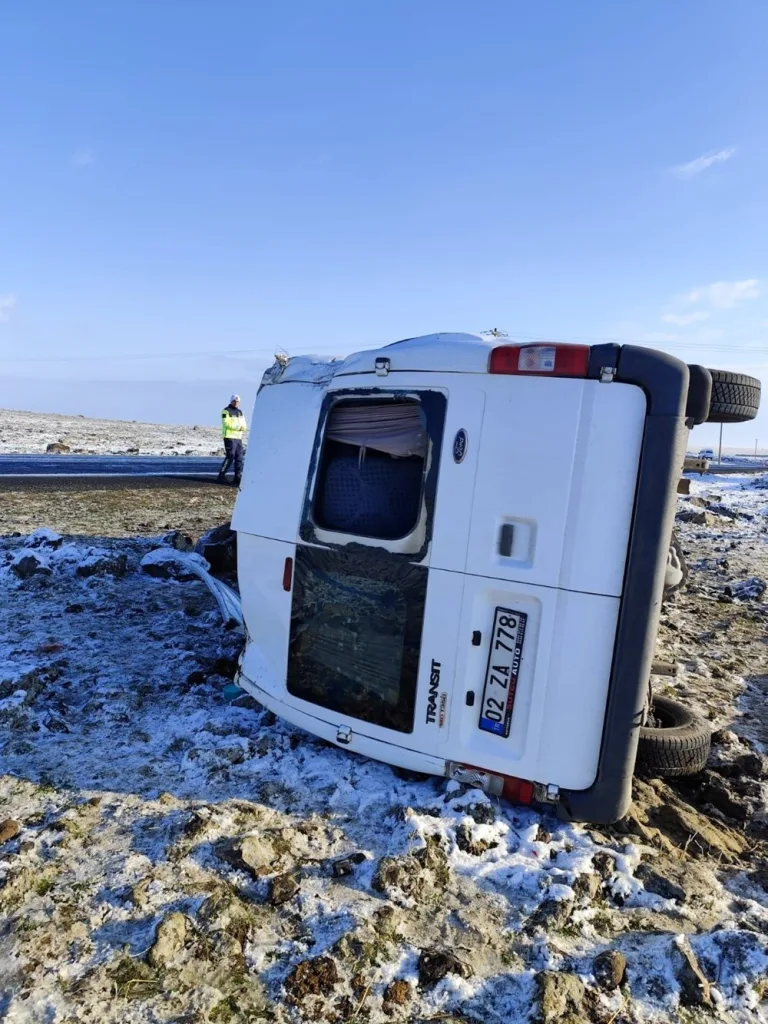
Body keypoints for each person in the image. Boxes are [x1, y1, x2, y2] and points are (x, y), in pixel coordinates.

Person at [218, 394, 247, 485]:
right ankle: (221, 476)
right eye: (234, 401)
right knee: (230, 457)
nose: (236, 403)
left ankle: (237, 476)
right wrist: (238, 427)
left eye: (238, 402)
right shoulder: (226, 411)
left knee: (239, 457)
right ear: (231, 401)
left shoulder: (240, 412)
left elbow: (244, 424)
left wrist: (243, 428)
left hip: (238, 438)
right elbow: (226, 424)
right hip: (229, 437)